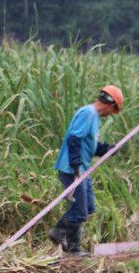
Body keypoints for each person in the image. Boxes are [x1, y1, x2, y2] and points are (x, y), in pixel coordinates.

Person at [49, 85, 124, 256]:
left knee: (88, 207)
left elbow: (89, 145)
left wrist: (106, 149)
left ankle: (71, 246)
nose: (110, 114)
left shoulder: (94, 117)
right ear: (110, 104)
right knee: (80, 211)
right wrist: (75, 166)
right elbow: (74, 139)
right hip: (71, 169)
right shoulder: (88, 113)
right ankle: (60, 234)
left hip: (83, 168)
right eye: (112, 111)